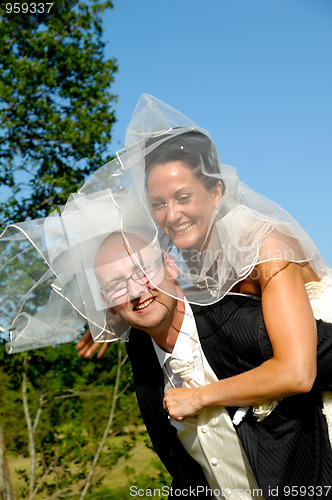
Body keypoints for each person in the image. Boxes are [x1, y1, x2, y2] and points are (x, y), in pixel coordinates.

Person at [86, 229, 332, 500]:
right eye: (117, 285)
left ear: (170, 266)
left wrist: (203, 396)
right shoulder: (142, 355)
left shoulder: (240, 325)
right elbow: (188, 475)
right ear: (107, 301)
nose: (135, 290)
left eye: (142, 270)